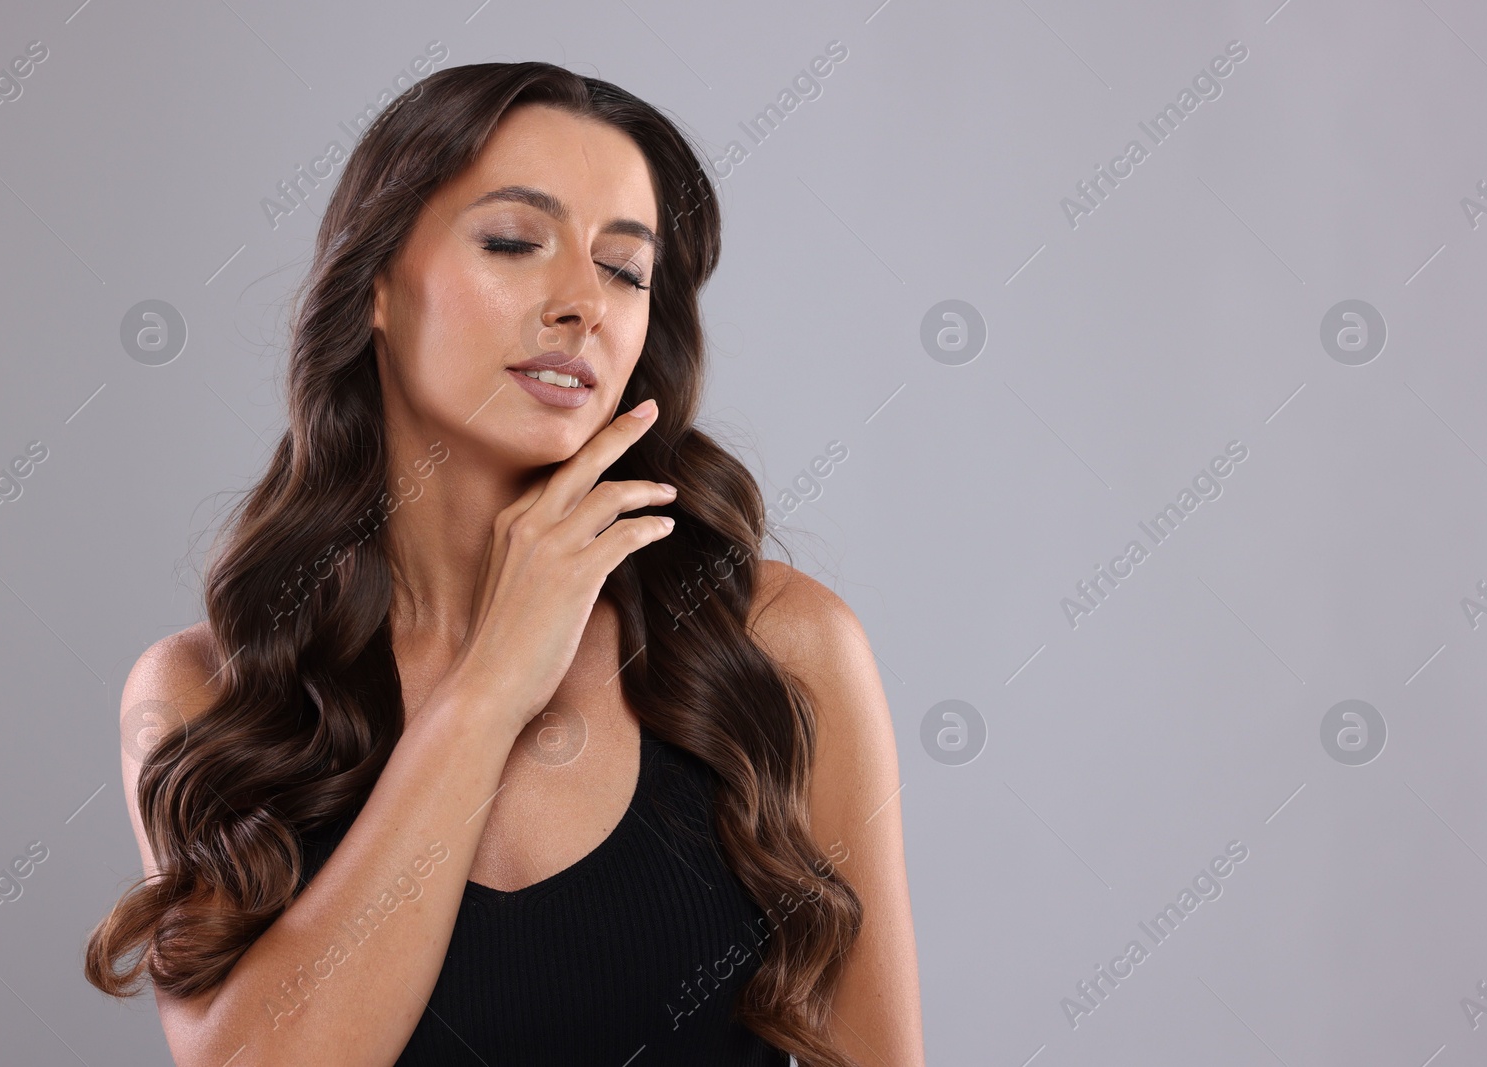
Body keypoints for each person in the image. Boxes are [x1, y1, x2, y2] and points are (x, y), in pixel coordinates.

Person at [85, 61, 923, 1066]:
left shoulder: (779, 648)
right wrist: (487, 690)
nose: (584, 302)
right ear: (379, 285)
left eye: (625, 268)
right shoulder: (206, 693)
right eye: (515, 243)